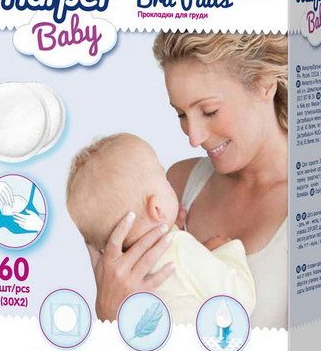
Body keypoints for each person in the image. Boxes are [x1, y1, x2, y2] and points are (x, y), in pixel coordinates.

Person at [90, 32, 288, 330]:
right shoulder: (176, 187)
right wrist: (109, 311)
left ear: (264, 84)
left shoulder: (319, 203)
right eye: (181, 114)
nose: (194, 137)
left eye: (209, 111)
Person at [66, 133, 256, 324]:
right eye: (164, 179)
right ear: (157, 208)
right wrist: (226, 251)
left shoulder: (121, 285)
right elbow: (240, 302)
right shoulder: (179, 248)